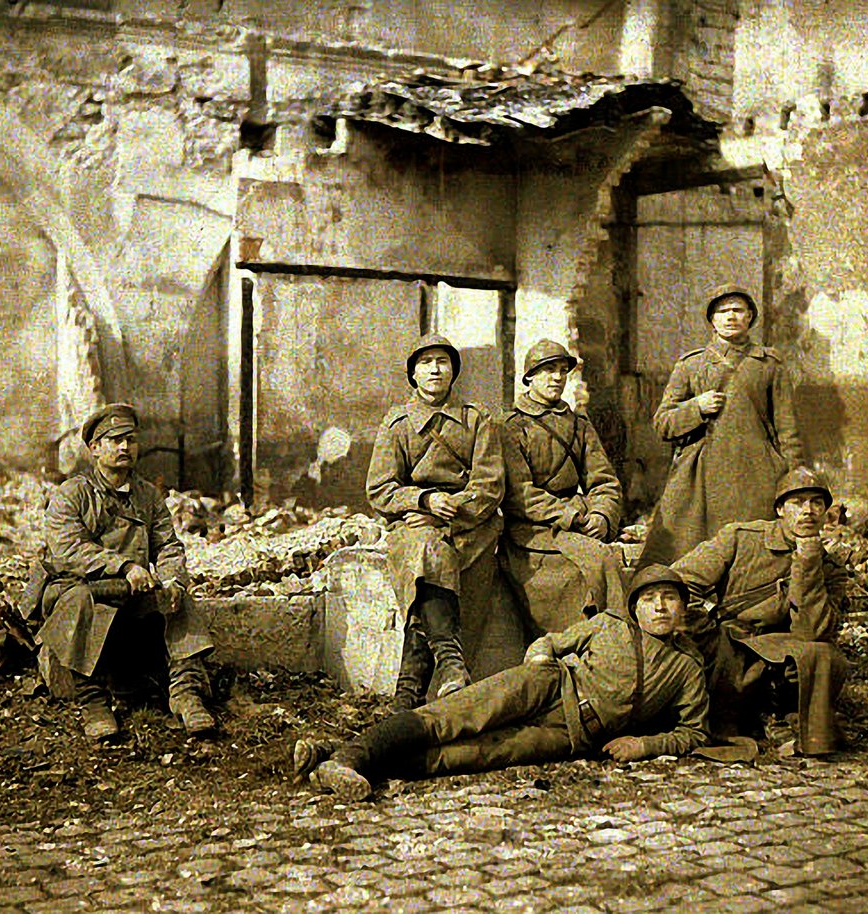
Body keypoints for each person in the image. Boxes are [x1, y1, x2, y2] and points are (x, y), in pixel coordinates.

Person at [294, 564, 709, 801]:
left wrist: (645, 745)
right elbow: (552, 641)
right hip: (549, 685)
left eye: (670, 599)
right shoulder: (608, 624)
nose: (659, 607)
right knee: (453, 716)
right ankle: (350, 758)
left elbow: (694, 731)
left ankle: (330, 759)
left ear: (682, 609)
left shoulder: (687, 667)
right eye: (650, 598)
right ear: (634, 605)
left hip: (570, 735)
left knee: (469, 755)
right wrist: (539, 656)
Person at [36, 403, 215, 741]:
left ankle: (185, 693)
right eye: (114, 440)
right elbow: (69, 550)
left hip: (130, 595)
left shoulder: (147, 495)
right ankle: (92, 701)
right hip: (80, 590)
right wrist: (125, 565)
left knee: (177, 599)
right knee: (78, 600)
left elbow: (168, 545)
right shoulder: (71, 494)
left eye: (130, 440)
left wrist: (173, 580)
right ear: (95, 448)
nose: (124, 448)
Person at [366, 334, 505, 712]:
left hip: (469, 524)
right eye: (425, 363)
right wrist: (424, 499)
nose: (434, 369)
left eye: (443, 362)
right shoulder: (396, 424)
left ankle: (407, 693)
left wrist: (453, 507)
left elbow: (490, 484)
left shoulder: (478, 419)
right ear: (413, 373)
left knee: (428, 570)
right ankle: (450, 661)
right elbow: (379, 489)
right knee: (425, 551)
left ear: (453, 372)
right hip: (415, 524)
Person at [673, 466, 848, 756]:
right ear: (780, 509)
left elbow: (813, 631)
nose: (808, 511)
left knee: (822, 654)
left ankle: (781, 717)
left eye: (817, 503)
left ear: (826, 514)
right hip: (726, 639)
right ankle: (753, 717)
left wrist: (808, 563)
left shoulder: (830, 569)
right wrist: (703, 624)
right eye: (797, 502)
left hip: (778, 649)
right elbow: (680, 580)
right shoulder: (741, 537)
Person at [639, 285, 803, 567]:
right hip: (702, 475)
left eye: (738, 310)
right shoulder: (691, 365)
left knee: (757, 555)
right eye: (722, 311)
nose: (730, 317)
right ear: (712, 320)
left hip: (757, 474)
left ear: (750, 316)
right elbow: (662, 423)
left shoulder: (769, 364)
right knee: (686, 555)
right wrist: (696, 408)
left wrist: (793, 479)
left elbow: (787, 428)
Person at [499, 339, 626, 635]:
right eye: (547, 371)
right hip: (532, 532)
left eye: (561, 370)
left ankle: (605, 645)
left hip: (578, 526)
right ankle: (567, 645)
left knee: (607, 562)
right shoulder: (511, 426)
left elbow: (603, 480)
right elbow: (519, 493)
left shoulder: (579, 424)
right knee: (583, 570)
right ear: (529, 376)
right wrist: (571, 517)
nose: (557, 378)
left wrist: (601, 517)